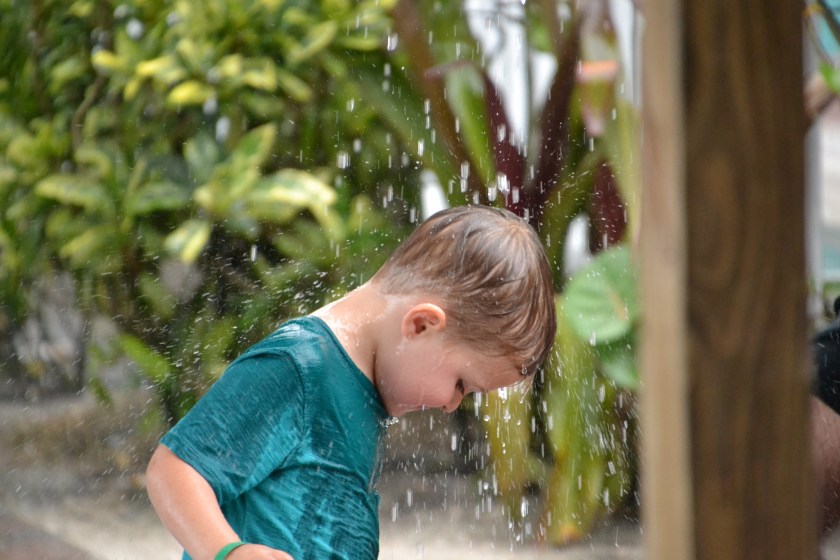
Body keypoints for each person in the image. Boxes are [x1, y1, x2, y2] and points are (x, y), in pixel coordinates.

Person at [145, 205, 558, 560]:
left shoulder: (363, 384)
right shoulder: (298, 366)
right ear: (421, 325)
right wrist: (227, 550)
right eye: (462, 384)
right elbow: (175, 468)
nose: (451, 405)